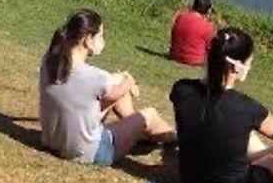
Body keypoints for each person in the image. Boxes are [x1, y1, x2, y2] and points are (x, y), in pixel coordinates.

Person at [170, 28, 273, 183]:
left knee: (239, 133)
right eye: (249, 62)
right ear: (237, 67)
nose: (250, 67)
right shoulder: (248, 108)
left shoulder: (182, 90)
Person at [39, 10, 176, 167]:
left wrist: (121, 80)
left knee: (118, 92)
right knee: (149, 115)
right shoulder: (96, 77)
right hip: (90, 152)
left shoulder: (49, 62)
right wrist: (129, 82)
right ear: (88, 39)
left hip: (52, 141)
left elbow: (106, 89)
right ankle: (175, 138)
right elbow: (113, 89)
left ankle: (144, 133)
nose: (102, 41)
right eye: (100, 36)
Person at [170, 0, 216, 66]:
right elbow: (211, 47)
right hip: (195, 60)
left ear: (193, 6)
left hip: (174, 55)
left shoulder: (180, 17)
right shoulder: (207, 26)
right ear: (208, 11)